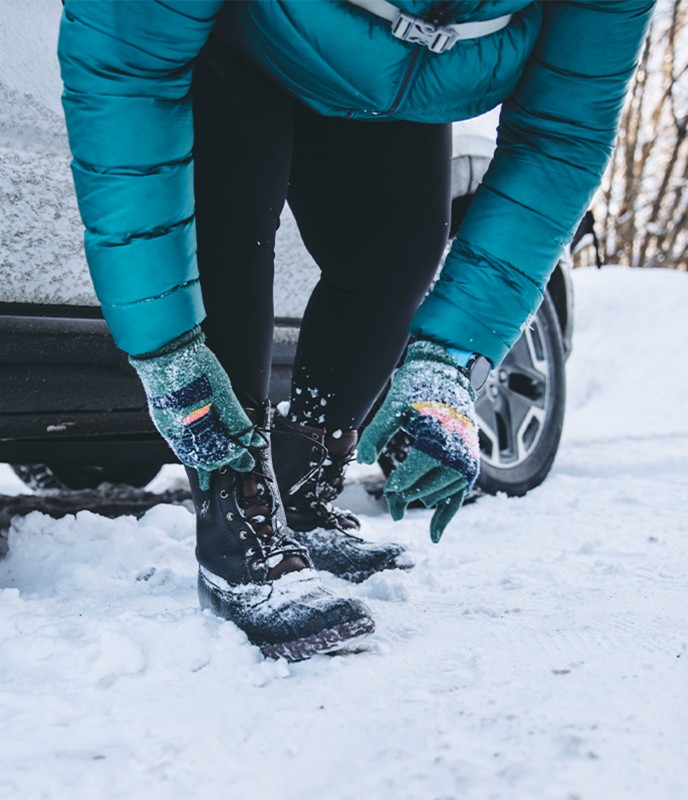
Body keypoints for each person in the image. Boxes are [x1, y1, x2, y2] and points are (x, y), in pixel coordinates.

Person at [57, 0, 654, 660]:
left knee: (395, 254)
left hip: (388, 77)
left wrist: (447, 361)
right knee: (226, 225)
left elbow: (561, 136)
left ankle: (300, 486)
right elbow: (125, 75)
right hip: (236, 36)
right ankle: (239, 515)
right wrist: (166, 347)